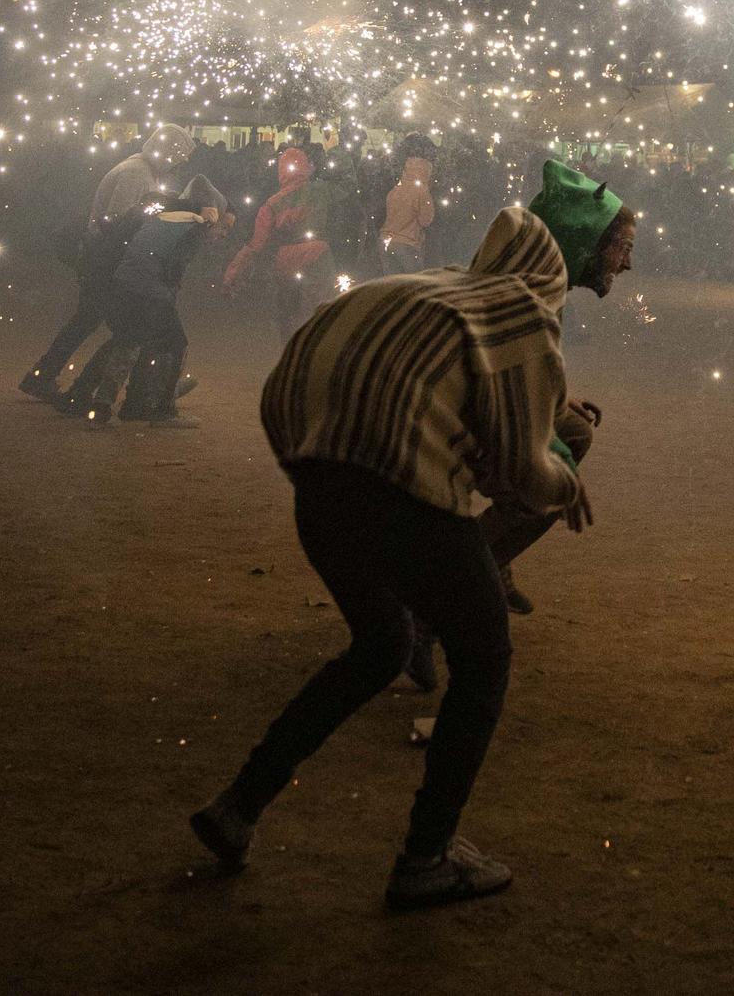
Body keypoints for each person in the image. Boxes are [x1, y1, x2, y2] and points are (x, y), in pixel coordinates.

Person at [190, 201, 604, 910]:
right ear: (551, 275)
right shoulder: (522, 312)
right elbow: (519, 467)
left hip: (317, 473)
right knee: (486, 655)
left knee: (380, 643)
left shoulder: (424, 286)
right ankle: (427, 854)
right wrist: (564, 480)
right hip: (400, 491)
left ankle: (238, 805)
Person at [409, 161, 635, 686]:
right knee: (552, 480)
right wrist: (550, 447)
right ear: (583, 241)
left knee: (572, 434)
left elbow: (520, 373)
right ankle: (438, 597)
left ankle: (487, 567)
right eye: (620, 247)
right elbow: (497, 389)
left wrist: (555, 403)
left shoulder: (526, 282)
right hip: (428, 429)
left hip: (454, 414)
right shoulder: (523, 297)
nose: (626, 265)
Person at [21, 123, 195, 400]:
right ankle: (122, 390)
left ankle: (46, 376)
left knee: (91, 321)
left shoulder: (140, 170)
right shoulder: (135, 174)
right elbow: (117, 221)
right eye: (178, 156)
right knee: (126, 328)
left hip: (103, 259)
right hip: (105, 262)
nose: (178, 164)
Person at [65, 176, 233, 426]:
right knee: (171, 343)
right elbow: (170, 269)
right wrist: (165, 298)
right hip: (146, 292)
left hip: (122, 284)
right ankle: (156, 407)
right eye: (224, 227)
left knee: (127, 342)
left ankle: (101, 400)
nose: (223, 235)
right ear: (213, 213)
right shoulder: (193, 226)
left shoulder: (169, 216)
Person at [224, 146, 331, 341]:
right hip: (320, 258)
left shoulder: (273, 204)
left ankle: (290, 348)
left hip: (286, 262)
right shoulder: (323, 193)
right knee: (320, 308)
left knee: (288, 310)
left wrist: (233, 272)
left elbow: (257, 245)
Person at [381, 134, 438, 274]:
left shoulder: (396, 188)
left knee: (392, 284)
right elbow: (426, 221)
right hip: (408, 244)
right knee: (412, 284)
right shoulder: (422, 191)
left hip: (386, 240)